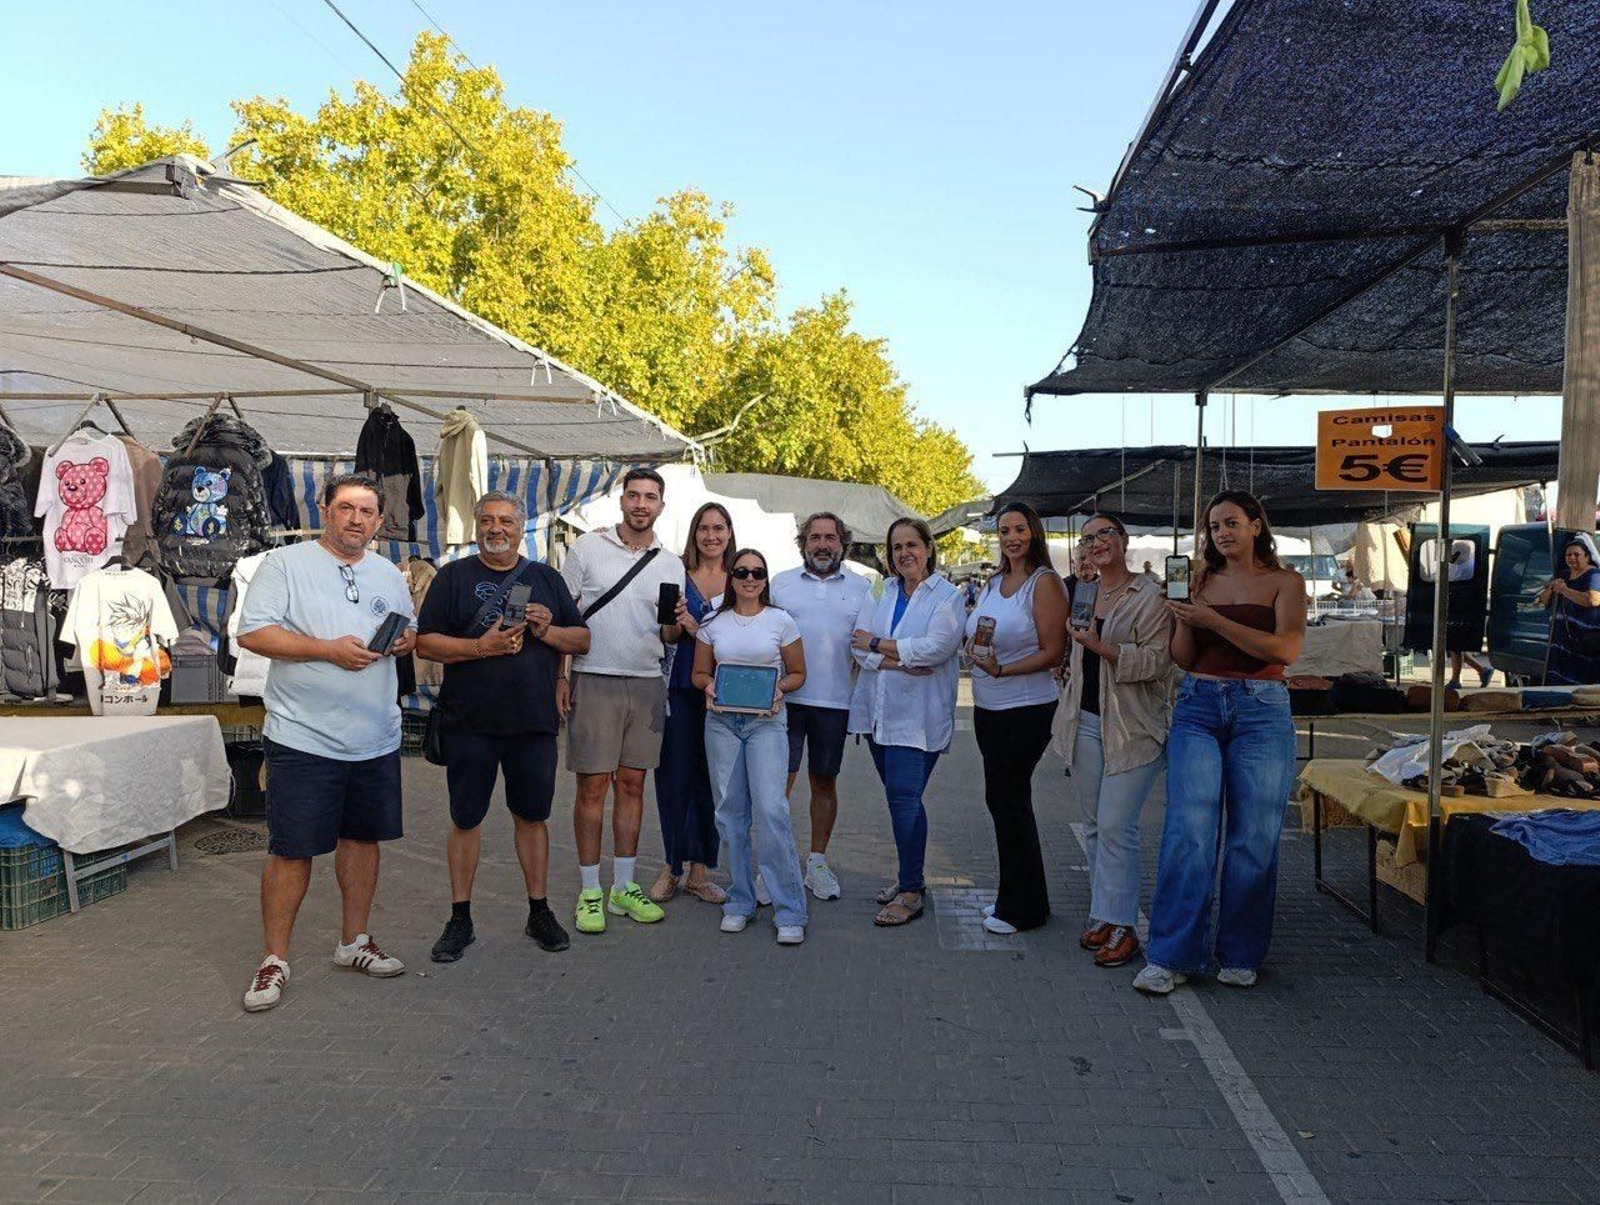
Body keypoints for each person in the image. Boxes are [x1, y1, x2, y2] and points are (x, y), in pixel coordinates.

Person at [237, 473, 417, 1013]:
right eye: (345, 508)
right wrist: (325, 650)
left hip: (375, 736)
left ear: (380, 520)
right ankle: (274, 959)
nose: (356, 519)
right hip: (302, 736)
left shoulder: (389, 571)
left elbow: (403, 628)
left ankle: (354, 942)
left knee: (363, 841)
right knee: (292, 851)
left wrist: (406, 639)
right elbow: (253, 634)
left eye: (367, 511)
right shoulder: (285, 564)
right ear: (325, 509)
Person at [1135, 490, 1305, 996]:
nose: (1222, 533)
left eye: (1232, 523)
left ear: (1256, 525)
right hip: (1199, 704)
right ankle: (1171, 955)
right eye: (1214, 527)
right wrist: (1181, 614)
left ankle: (1239, 951)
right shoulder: (1201, 582)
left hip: (1262, 708)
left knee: (1253, 836)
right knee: (1188, 829)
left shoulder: (1285, 582)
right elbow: (1185, 657)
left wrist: (1215, 621)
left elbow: (1286, 648)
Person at [417, 492, 591, 963]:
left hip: (532, 723)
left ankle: (538, 910)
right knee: (465, 818)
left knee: (532, 817)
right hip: (468, 722)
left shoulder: (545, 578)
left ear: (521, 529)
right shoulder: (453, 577)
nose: (498, 529)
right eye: (489, 521)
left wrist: (546, 631)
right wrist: (481, 648)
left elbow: (582, 639)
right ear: (476, 527)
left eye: (507, 521)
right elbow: (426, 643)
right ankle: (460, 918)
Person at [557, 468, 685, 935]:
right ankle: (590, 891)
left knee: (632, 786)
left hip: (648, 682)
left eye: (650, 497)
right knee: (592, 788)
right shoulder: (588, 548)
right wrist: (562, 674)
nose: (641, 504)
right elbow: (564, 617)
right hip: (594, 679)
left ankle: (623, 887)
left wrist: (680, 624)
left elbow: (668, 636)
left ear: (661, 507)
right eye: (634, 495)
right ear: (622, 500)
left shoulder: (671, 564)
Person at [1054, 514, 1173, 969]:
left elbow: (1159, 663)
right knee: (1094, 826)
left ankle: (1125, 926)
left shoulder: (1151, 595)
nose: (1096, 543)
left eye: (1105, 534)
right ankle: (1106, 914)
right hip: (1084, 721)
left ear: (1123, 541)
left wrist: (1100, 646)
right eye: (1087, 539)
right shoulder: (1084, 591)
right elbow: (1073, 648)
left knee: (1116, 825)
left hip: (1132, 727)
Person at [849, 517, 965, 926]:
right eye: (896, 547)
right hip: (878, 715)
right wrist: (900, 661)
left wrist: (881, 648)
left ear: (929, 548)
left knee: (904, 800)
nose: (904, 554)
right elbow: (856, 644)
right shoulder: (880, 589)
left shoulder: (948, 596)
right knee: (901, 801)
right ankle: (907, 877)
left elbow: (937, 649)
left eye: (912, 545)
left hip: (918, 720)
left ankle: (912, 888)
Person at [691, 548, 809, 944]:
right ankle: (740, 899)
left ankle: (789, 908)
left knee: (772, 810)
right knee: (729, 813)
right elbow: (699, 672)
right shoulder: (713, 622)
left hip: (766, 724)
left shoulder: (781, 621)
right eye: (742, 571)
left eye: (758, 571)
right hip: (722, 724)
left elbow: (798, 673)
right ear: (732, 576)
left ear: (765, 578)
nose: (750, 578)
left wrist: (778, 687)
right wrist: (707, 685)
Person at [966, 502, 1069, 935]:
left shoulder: (1044, 584)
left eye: (1019, 529)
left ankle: (1021, 909)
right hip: (988, 706)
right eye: (1005, 530)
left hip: (1025, 707)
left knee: (1009, 801)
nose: (1011, 537)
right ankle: (1020, 898)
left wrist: (1004, 669)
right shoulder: (994, 581)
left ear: (1034, 533)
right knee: (1001, 801)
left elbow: (1053, 651)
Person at [771, 512, 873, 901]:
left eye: (830, 537)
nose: (822, 544)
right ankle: (776, 864)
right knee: (779, 785)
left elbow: (868, 646)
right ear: (803, 543)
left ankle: (817, 862)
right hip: (786, 700)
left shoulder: (864, 588)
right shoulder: (780, 584)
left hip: (834, 703)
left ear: (842, 543)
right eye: (814, 537)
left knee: (824, 782)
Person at [649, 502, 734, 906]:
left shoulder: (742, 579)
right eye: (704, 528)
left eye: (719, 528)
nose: (711, 535)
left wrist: (697, 628)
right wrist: (676, 624)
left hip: (724, 695)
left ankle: (702, 870)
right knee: (672, 780)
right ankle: (671, 867)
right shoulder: (675, 573)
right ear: (694, 533)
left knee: (711, 783)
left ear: (729, 533)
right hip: (678, 690)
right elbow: (665, 635)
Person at [1540, 533, 1600, 685]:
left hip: (1584, 639)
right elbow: (1543, 601)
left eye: (1576, 554)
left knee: (1581, 679)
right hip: (1562, 639)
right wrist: (1552, 588)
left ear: (1587, 557)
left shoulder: (1594, 574)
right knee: (1559, 680)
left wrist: (1564, 590)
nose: (1572, 557)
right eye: (1568, 555)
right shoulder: (1565, 575)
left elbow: (1592, 600)